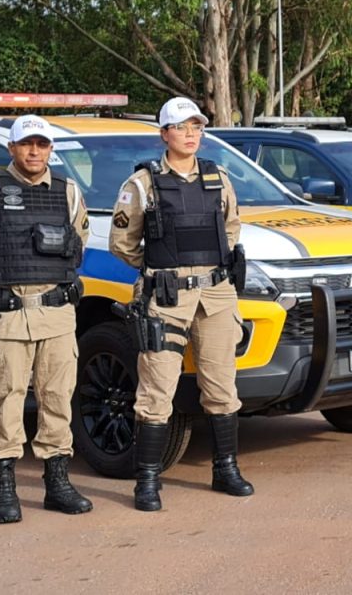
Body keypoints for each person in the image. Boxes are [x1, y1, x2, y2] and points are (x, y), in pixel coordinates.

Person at [109, 96, 253, 512]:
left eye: (196, 127)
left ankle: (225, 468)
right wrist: (161, 267)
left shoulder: (218, 177)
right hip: (167, 296)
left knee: (223, 388)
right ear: (164, 134)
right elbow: (123, 242)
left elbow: (232, 228)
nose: (191, 135)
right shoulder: (142, 184)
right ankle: (148, 481)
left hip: (216, 294)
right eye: (181, 127)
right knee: (157, 390)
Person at [0, 114, 93, 524]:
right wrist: (0, 279)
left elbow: (79, 239)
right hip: (10, 314)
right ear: (12, 148)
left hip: (56, 313)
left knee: (57, 398)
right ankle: (4, 487)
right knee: (8, 399)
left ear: (51, 149)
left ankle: (58, 485)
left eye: (42, 144)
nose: (35, 151)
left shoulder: (68, 192)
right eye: (27, 144)